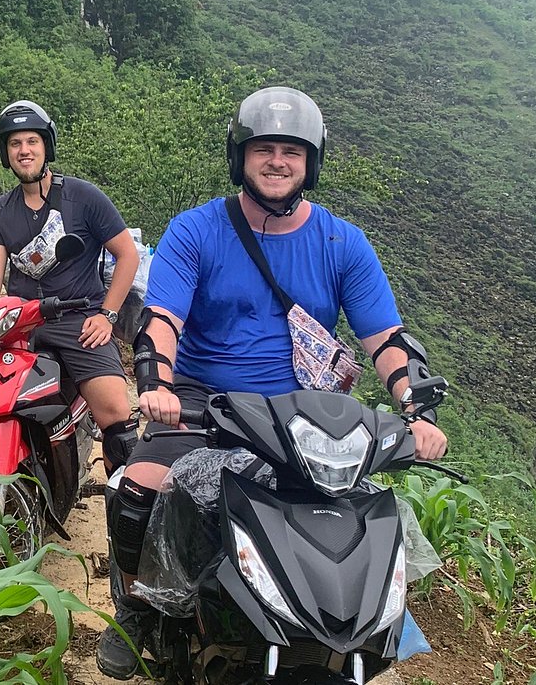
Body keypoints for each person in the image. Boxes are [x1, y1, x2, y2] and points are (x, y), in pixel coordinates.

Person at [96, 85, 450, 680]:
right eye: (264, 148)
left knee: (358, 520)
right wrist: (155, 380)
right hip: (202, 401)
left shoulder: (342, 243)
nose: (278, 161)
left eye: (292, 150)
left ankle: (354, 633)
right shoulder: (196, 231)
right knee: (138, 486)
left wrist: (418, 409)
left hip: (306, 415)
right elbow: (162, 321)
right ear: (241, 156)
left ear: (311, 162)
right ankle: (139, 607)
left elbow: (387, 341)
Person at [0, 99, 140, 480]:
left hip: (79, 320)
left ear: (46, 146)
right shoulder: (0, 211)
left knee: (117, 414)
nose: (24, 150)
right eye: (15, 143)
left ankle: (127, 507)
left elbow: (127, 256)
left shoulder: (83, 198)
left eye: (32, 141)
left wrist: (108, 315)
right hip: (22, 323)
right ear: (6, 153)